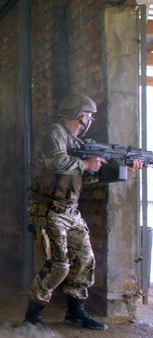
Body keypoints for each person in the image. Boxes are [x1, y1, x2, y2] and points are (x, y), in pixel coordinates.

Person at [23, 93, 144, 331]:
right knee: (59, 265)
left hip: (70, 211)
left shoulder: (77, 142)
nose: (90, 120)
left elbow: (85, 178)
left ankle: (75, 313)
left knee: (85, 259)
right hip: (48, 209)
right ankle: (32, 319)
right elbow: (56, 162)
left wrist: (125, 170)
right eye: (89, 116)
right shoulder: (54, 134)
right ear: (80, 116)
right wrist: (86, 163)